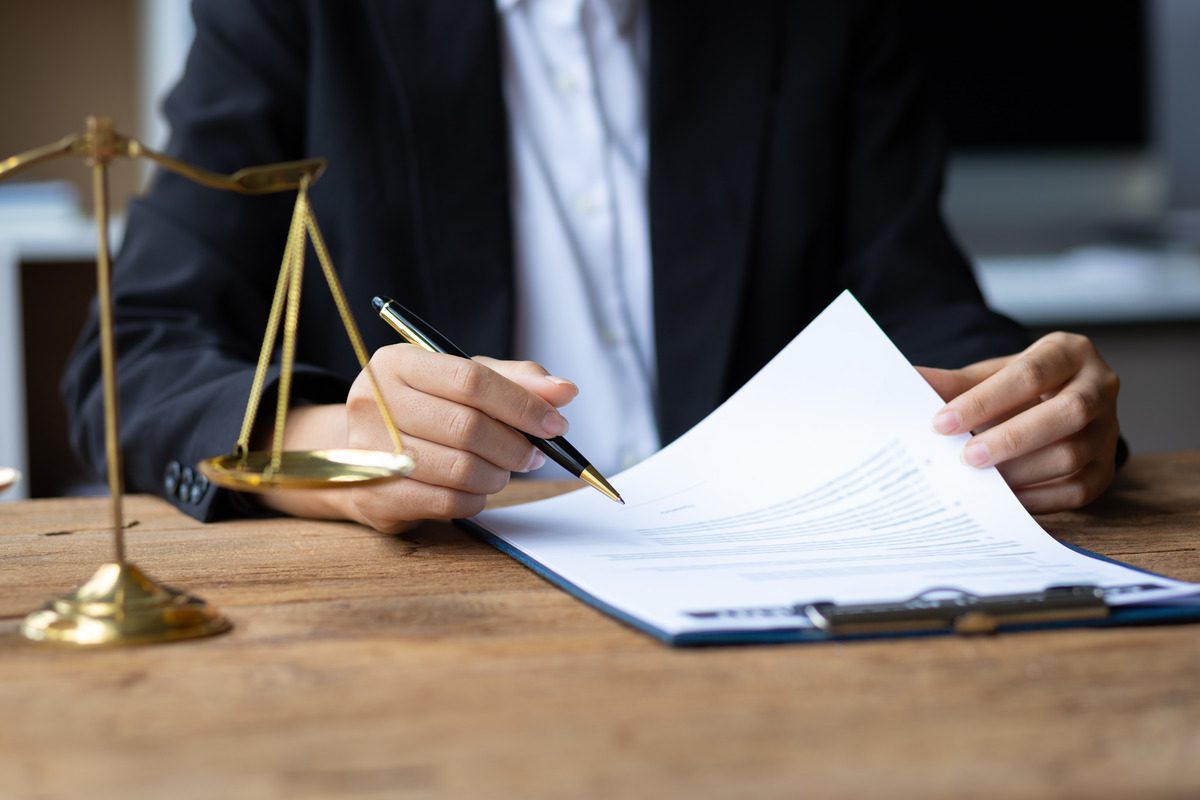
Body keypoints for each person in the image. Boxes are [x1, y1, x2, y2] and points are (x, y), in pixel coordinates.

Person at [63, 0, 1121, 533]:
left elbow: (919, 300)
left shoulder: (816, 18)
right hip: (438, 619)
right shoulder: (296, 12)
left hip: (782, 591)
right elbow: (133, 353)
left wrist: (1032, 405)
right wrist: (339, 449)